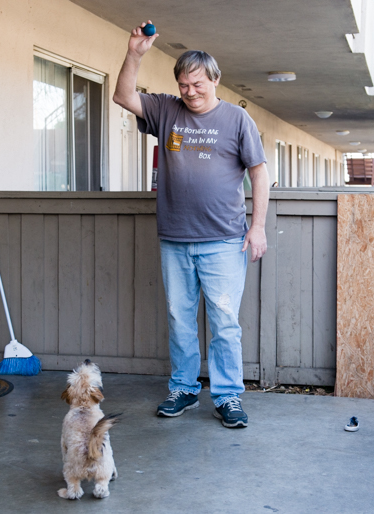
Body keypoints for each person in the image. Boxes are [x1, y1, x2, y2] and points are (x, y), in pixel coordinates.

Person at [113, 21, 270, 428]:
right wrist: (135, 53)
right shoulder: (166, 109)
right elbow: (123, 95)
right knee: (180, 319)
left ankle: (228, 396)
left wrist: (258, 227)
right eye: (184, 84)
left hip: (223, 240)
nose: (190, 91)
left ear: (215, 79)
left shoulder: (237, 120)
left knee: (224, 322)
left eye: (197, 84)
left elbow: (259, 173)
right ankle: (183, 388)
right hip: (175, 240)